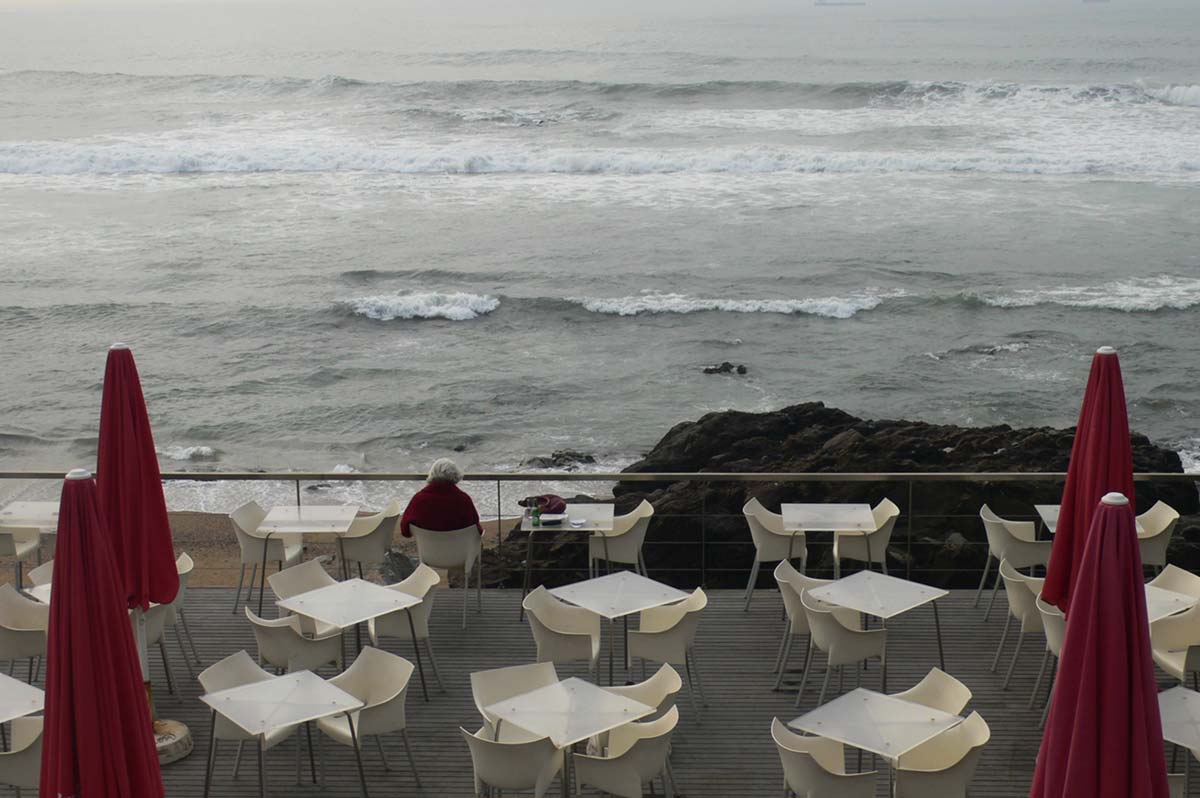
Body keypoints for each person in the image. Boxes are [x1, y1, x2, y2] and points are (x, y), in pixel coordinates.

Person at [400, 458, 484, 538]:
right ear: (456, 475)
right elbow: (477, 531)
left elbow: (405, 531)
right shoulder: (464, 500)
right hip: (460, 548)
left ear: (432, 474)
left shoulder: (419, 500)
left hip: (428, 548)